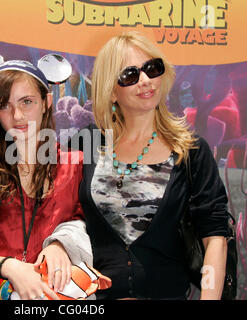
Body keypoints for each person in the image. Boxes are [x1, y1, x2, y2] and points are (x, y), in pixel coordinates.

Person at [71, 31, 229, 299]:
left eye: (151, 69)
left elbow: (214, 236)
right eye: (130, 75)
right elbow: (63, 215)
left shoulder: (190, 151)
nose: (145, 80)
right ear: (111, 91)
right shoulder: (86, 144)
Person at [0, 59, 92, 300]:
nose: (17, 115)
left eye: (27, 102)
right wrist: (11, 267)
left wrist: (60, 245)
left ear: (46, 103)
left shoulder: (76, 166)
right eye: (5, 105)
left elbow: (85, 226)